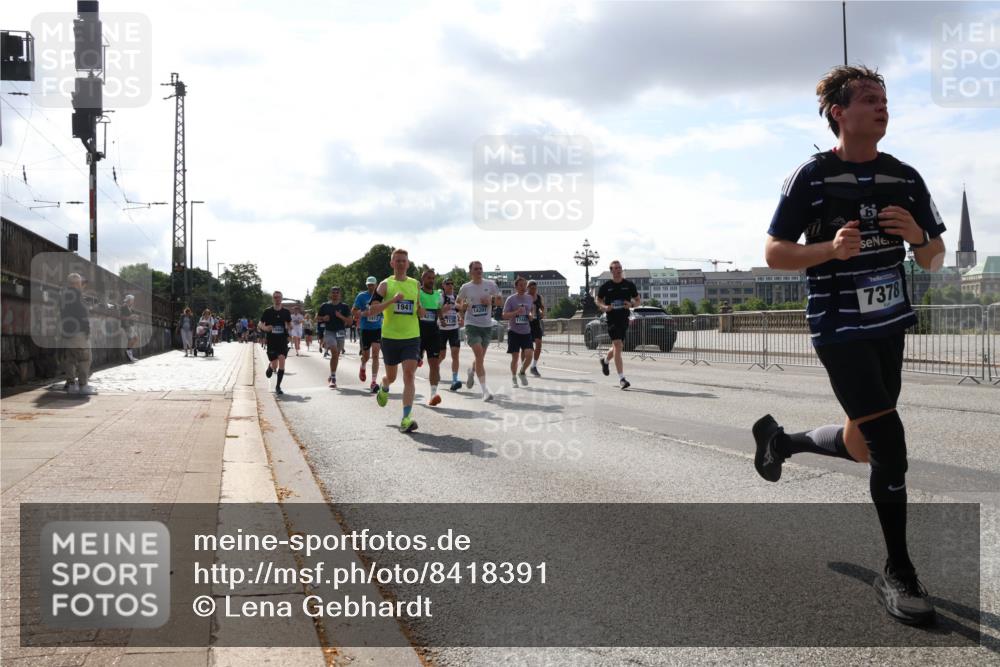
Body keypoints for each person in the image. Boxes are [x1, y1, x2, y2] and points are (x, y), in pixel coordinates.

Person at [755, 65, 946, 626]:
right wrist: (829, 252)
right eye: (868, 98)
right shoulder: (812, 177)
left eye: (884, 98)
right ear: (839, 112)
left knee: (863, 444)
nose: (881, 106)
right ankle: (899, 571)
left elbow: (934, 257)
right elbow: (774, 253)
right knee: (890, 443)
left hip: (889, 324)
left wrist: (917, 238)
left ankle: (781, 441)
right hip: (838, 326)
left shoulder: (905, 177)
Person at [366, 249, 422, 432]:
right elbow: (372, 310)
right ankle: (384, 386)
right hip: (390, 337)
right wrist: (392, 301)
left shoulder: (415, 284)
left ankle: (406, 418)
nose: (400, 263)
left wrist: (421, 311)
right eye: (397, 260)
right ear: (392, 263)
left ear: (408, 263)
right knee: (391, 376)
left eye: (403, 260)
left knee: (409, 375)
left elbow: (418, 307)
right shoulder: (385, 285)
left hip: (411, 337)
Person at [457, 260, 500, 401]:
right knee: (480, 356)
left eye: (480, 268)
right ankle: (485, 391)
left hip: (486, 326)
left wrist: (492, 301)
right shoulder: (466, 287)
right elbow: (457, 303)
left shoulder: (490, 284)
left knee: (480, 358)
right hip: (472, 325)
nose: (479, 271)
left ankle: (472, 371)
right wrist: (464, 306)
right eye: (476, 269)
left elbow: (500, 301)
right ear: (470, 272)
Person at [596, 260, 640, 389]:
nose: (618, 270)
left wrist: (631, 304)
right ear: (611, 271)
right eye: (615, 268)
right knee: (618, 345)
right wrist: (604, 307)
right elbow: (598, 301)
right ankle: (622, 379)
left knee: (618, 347)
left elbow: (638, 300)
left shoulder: (629, 285)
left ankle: (604, 361)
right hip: (612, 319)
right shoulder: (606, 286)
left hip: (624, 319)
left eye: (619, 267)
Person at [59, 273, 96, 395]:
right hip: (79, 332)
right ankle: (83, 385)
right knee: (85, 359)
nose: (82, 285)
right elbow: (82, 316)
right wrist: (87, 330)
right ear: (75, 284)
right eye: (80, 283)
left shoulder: (63, 295)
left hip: (67, 332)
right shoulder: (78, 296)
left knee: (70, 359)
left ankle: (71, 385)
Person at [503, 276, 535, 388]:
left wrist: (531, 315)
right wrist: (516, 312)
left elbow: (531, 310)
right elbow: (504, 315)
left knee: (529, 355)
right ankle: (513, 377)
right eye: (520, 285)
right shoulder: (511, 299)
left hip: (526, 331)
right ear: (516, 287)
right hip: (514, 332)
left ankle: (522, 372)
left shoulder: (529, 298)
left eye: (524, 285)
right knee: (515, 357)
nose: (523, 287)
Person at [352, 276, 383, 393]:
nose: (371, 286)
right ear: (366, 285)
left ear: (376, 285)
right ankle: (363, 366)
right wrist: (362, 313)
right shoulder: (361, 296)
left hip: (377, 328)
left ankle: (373, 382)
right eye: (369, 284)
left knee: (375, 354)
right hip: (365, 329)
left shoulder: (381, 296)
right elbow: (353, 311)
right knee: (366, 356)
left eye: (372, 284)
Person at [418, 269, 444, 406]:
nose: (432, 280)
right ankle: (409, 389)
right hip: (417, 334)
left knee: (434, 364)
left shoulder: (437, 295)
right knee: (412, 366)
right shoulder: (418, 293)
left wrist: (442, 319)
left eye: (433, 278)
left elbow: (438, 308)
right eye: (429, 278)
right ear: (423, 279)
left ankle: (433, 394)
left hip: (433, 333)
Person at [318, 287, 352, 388]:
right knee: (333, 350)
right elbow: (317, 318)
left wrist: (340, 316)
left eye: (337, 293)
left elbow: (350, 322)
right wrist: (323, 318)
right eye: (333, 293)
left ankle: (331, 374)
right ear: (330, 294)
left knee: (336, 354)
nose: (335, 294)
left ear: (340, 295)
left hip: (340, 332)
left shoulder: (345, 307)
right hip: (329, 332)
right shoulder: (325, 306)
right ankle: (333, 378)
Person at [259, 291, 292, 395]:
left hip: (282, 340)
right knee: (274, 365)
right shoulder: (268, 311)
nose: (277, 299)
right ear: (273, 299)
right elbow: (260, 324)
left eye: (279, 297)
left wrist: (290, 328)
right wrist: (265, 328)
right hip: (272, 341)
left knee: (282, 359)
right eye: (275, 297)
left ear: (282, 299)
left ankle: (278, 386)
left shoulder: (286, 312)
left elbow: (289, 323)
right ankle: (270, 366)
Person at [438, 276, 463, 391]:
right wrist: (444, 309)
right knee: (442, 355)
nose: (450, 285)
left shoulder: (456, 297)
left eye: (452, 283)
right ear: (443, 285)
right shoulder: (440, 297)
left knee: (455, 354)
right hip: (442, 330)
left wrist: (460, 318)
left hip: (453, 329)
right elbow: (436, 312)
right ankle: (435, 367)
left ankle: (455, 379)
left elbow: (457, 311)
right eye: (448, 283)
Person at [527, 280, 545, 376]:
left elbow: (542, 307)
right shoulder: (525, 297)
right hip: (526, 323)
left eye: (535, 288)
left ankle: (533, 366)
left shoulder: (539, 297)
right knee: (527, 348)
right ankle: (523, 366)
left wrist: (542, 312)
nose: (533, 290)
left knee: (539, 344)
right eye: (532, 288)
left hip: (536, 323)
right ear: (528, 288)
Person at [120, 294, 139, 362]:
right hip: (127, 325)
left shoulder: (129, 307)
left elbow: (130, 316)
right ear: (129, 300)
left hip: (131, 325)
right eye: (132, 300)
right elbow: (122, 317)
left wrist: (134, 317)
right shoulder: (124, 307)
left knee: (135, 338)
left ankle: (129, 352)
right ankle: (129, 354)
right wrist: (130, 317)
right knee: (131, 339)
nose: (133, 301)